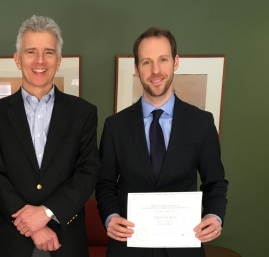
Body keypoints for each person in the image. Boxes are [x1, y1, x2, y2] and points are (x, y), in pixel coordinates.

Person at [95, 27, 228, 257]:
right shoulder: (115, 126)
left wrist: (214, 216)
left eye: (163, 60)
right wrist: (111, 216)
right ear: (136, 69)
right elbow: (104, 183)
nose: (156, 71)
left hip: (184, 247)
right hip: (128, 248)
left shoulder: (201, 123)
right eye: (146, 62)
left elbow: (215, 182)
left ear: (175, 62)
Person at [0, 15, 100, 257]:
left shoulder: (84, 113)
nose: (39, 61)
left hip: (67, 240)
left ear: (58, 60)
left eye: (48, 52)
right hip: (13, 240)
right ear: (17, 59)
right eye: (31, 51)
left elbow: (87, 172)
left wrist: (45, 213)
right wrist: (32, 226)